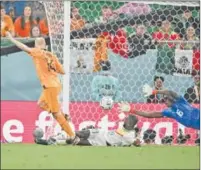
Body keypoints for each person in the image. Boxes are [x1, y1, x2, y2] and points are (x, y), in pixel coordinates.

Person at [6, 31, 79, 144]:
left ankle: (73, 136)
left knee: (56, 114)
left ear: (36, 45)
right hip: (56, 84)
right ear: (45, 45)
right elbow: (63, 71)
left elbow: (23, 47)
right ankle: (64, 117)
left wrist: (11, 39)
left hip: (49, 86)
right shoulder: (52, 55)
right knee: (41, 103)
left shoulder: (37, 52)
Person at [119, 84, 200, 130]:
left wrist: (154, 91)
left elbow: (169, 91)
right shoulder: (169, 112)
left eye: (165, 99)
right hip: (196, 125)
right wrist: (131, 109)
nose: (164, 102)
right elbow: (149, 115)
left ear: (170, 98)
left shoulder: (181, 101)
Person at [36, 115, 140, 147]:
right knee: (77, 133)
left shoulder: (130, 135)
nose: (126, 120)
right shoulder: (126, 128)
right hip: (101, 133)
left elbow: (135, 142)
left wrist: (137, 140)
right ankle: (53, 138)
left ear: (132, 124)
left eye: (128, 120)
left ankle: (51, 142)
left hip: (103, 143)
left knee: (75, 141)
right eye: (127, 119)